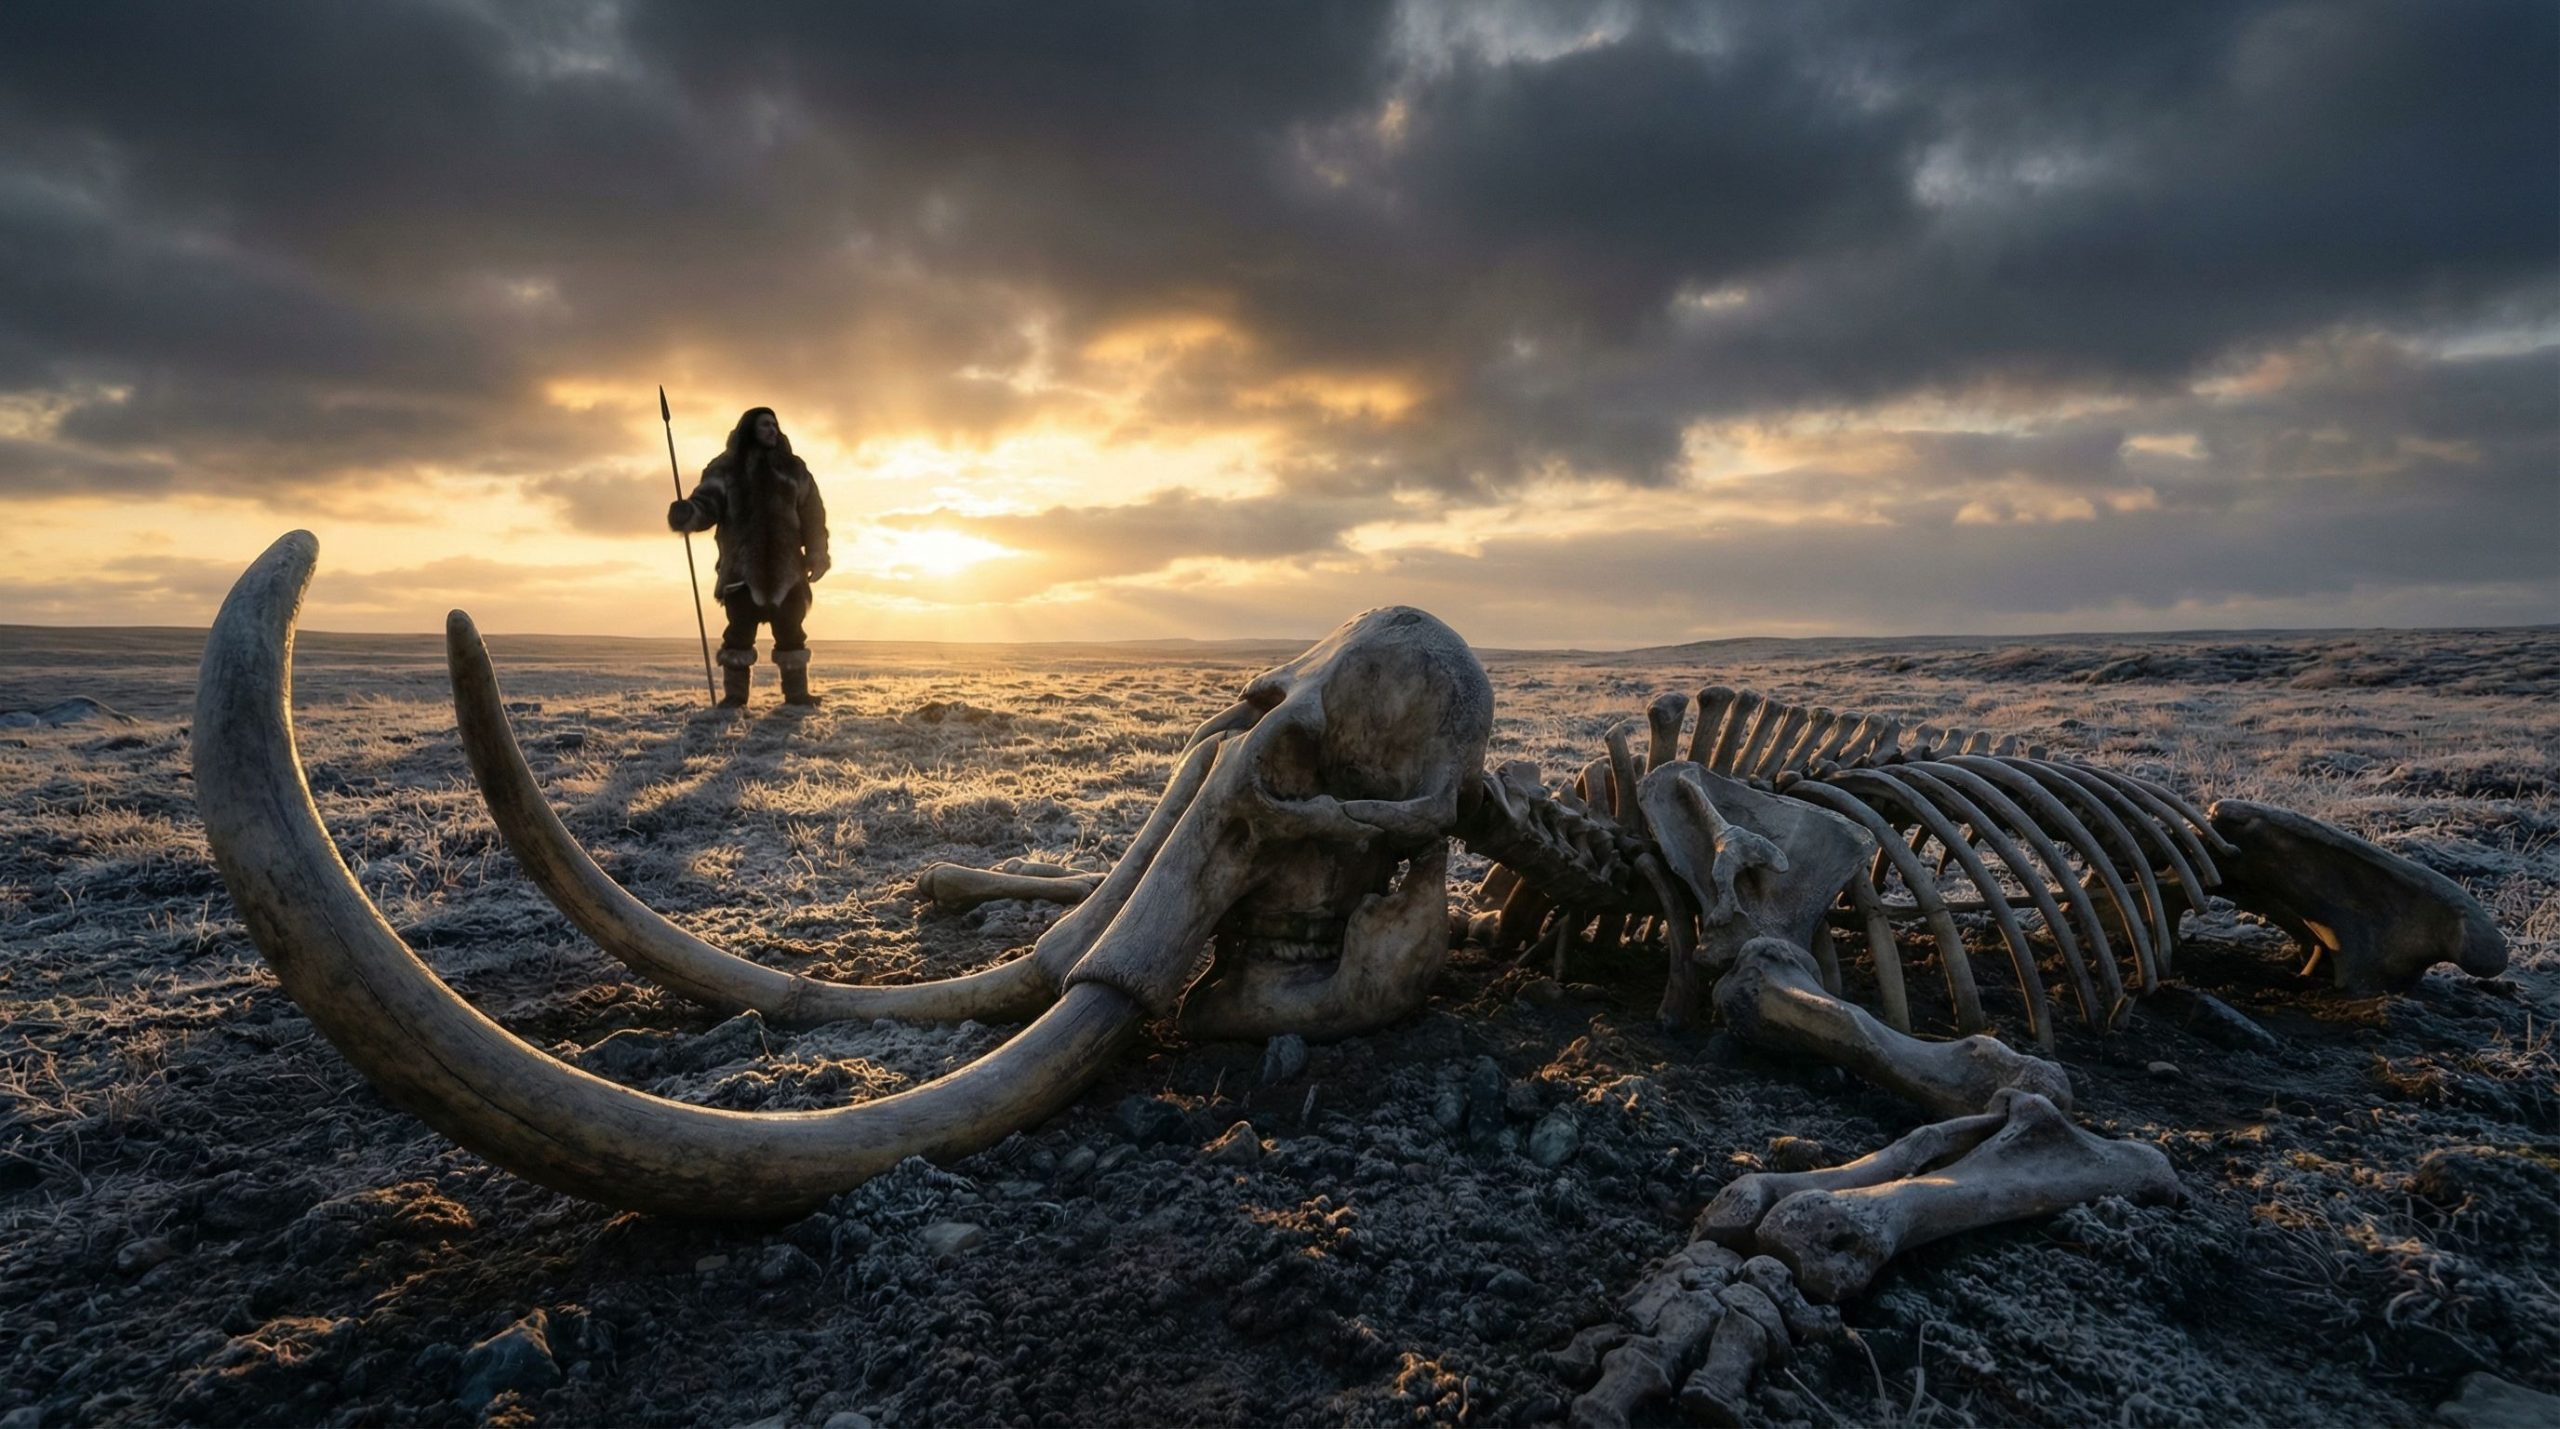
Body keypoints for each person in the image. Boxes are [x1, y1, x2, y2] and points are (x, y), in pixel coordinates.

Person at [668, 407, 832, 708]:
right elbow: (707, 504)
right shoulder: (727, 468)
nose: (772, 430)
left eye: (775, 425)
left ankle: (797, 696)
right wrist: (687, 513)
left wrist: (818, 553)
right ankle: (735, 697)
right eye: (765, 425)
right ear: (749, 429)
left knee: (792, 633)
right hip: (742, 570)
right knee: (739, 635)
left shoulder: (794, 469)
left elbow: (813, 515)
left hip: (788, 571)